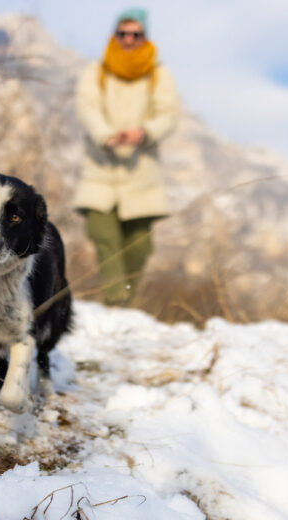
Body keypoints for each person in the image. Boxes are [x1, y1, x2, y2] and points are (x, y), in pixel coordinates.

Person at [74, 7, 179, 306]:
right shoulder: (97, 71)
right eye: (123, 33)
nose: (129, 39)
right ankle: (116, 297)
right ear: (114, 35)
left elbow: (168, 114)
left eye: (135, 34)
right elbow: (87, 107)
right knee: (102, 232)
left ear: (144, 36)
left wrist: (143, 133)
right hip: (100, 167)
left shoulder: (158, 74)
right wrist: (105, 135)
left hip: (141, 170)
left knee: (138, 246)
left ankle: (126, 305)